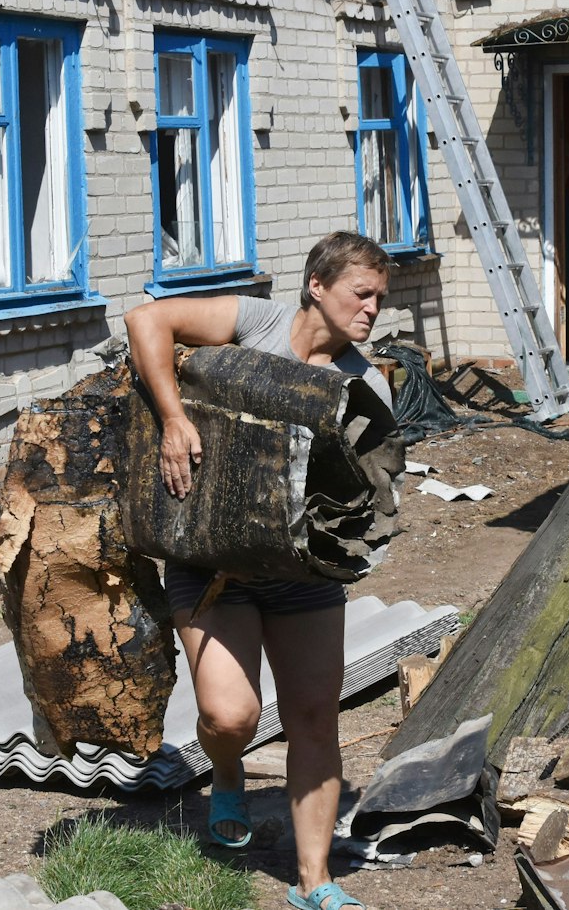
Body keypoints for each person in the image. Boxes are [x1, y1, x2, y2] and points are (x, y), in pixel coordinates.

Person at [124, 231, 395, 910]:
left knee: (313, 718)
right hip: (212, 565)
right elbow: (145, 319)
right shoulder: (258, 321)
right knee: (230, 713)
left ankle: (314, 882)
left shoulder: (365, 387)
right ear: (316, 285)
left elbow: (365, 501)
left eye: (379, 299)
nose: (372, 310)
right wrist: (172, 419)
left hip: (303, 581)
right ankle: (227, 772)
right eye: (360, 294)